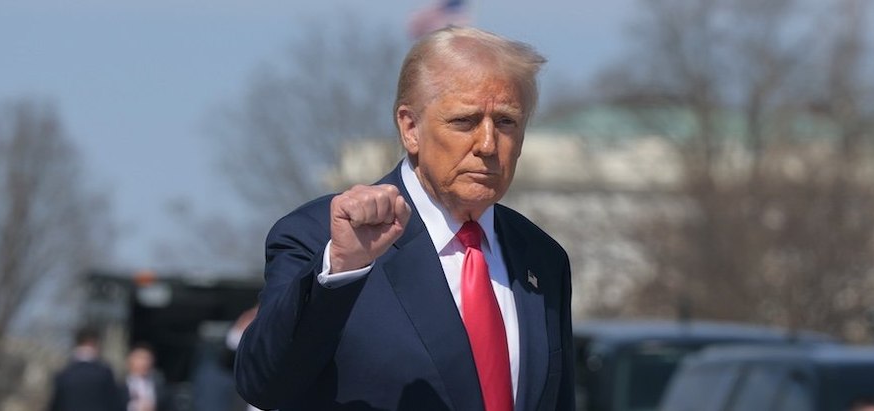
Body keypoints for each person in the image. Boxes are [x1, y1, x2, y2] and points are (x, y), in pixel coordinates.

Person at [234, 26, 573, 411]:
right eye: (465, 121)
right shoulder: (321, 239)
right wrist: (343, 268)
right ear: (410, 128)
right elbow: (263, 384)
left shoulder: (542, 258)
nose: (487, 144)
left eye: (507, 122)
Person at [49, 327, 124, 411]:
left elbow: (55, 406)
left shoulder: (63, 375)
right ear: (95, 343)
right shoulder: (104, 373)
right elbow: (116, 405)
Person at [122, 343, 171, 411]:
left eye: (147, 359)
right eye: (140, 358)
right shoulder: (120, 386)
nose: (144, 362)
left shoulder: (160, 388)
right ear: (129, 360)